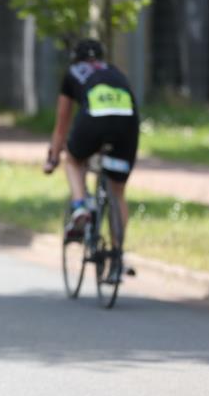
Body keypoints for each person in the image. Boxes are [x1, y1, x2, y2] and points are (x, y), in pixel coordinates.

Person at [43, 38, 140, 283]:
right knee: (117, 192)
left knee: (73, 160)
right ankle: (117, 257)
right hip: (127, 124)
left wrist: (53, 157)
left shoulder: (73, 73)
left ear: (75, 58)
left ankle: (80, 207)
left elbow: (62, 125)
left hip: (94, 121)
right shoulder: (115, 71)